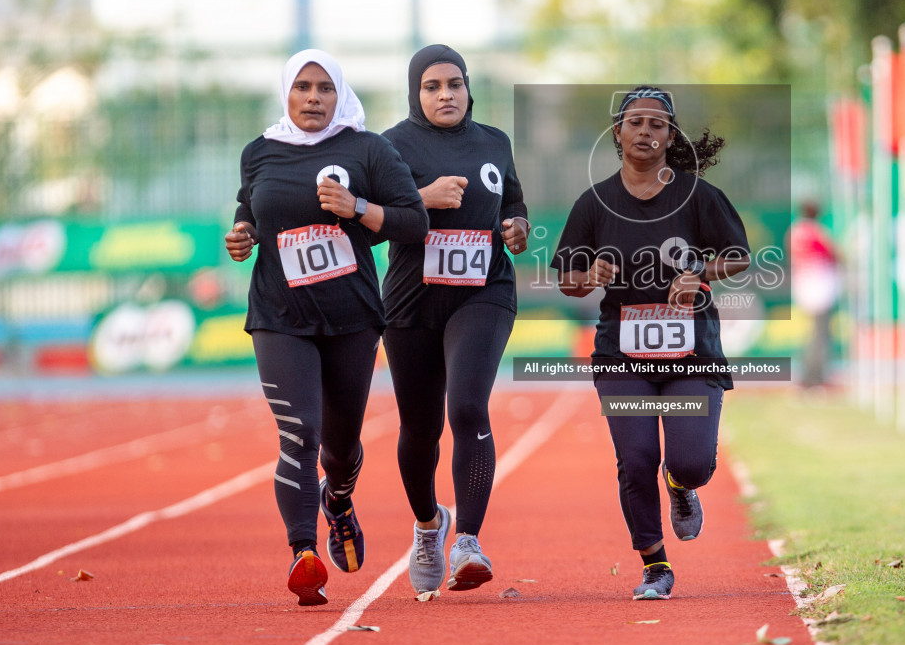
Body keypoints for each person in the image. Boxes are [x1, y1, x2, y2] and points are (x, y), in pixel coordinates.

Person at [227, 49, 427, 607]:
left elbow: (415, 221)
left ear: (340, 96)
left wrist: (357, 205)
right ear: (286, 94)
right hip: (279, 316)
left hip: (351, 319)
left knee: (339, 448)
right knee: (300, 434)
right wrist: (242, 234)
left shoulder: (368, 149)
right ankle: (303, 555)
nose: (313, 98)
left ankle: (337, 500)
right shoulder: (260, 152)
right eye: (302, 87)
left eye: (324, 89)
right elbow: (251, 210)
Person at [552, 87, 749, 600]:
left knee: (690, 462)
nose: (646, 132)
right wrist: (589, 274)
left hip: (691, 356)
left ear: (671, 135)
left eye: (657, 124)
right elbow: (567, 280)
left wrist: (700, 275)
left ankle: (681, 487)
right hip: (622, 357)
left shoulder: (698, 196)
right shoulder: (593, 203)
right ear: (617, 132)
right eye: (635, 122)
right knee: (636, 457)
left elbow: (739, 257)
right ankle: (655, 564)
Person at [382, 45, 528, 596]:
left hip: (483, 292)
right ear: (416, 93)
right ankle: (428, 524)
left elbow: (513, 204)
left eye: (455, 84)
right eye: (432, 86)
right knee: (420, 429)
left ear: (469, 88)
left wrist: (517, 227)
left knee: (467, 405)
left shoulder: (494, 142)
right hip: (411, 301)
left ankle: (468, 539)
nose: (446, 95)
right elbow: (368, 223)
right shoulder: (390, 146)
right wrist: (424, 198)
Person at [787, 200, 839, 388]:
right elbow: (834, 254)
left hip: (804, 284)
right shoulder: (816, 231)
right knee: (820, 336)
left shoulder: (795, 231)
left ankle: (809, 377)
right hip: (820, 286)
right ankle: (814, 378)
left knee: (812, 335)